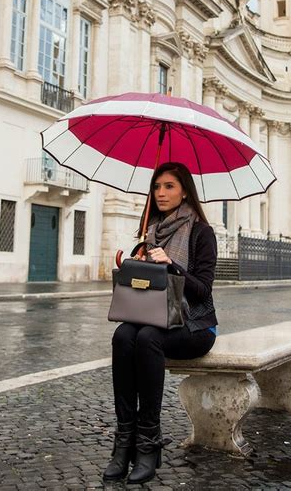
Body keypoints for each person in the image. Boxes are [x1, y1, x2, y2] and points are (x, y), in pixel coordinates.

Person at [103, 161, 218, 485]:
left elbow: (203, 291)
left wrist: (172, 266)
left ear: (184, 192)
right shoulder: (150, 231)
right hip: (152, 317)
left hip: (194, 326)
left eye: (169, 186)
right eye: (156, 186)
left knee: (147, 338)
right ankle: (124, 442)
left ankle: (149, 443)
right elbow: (146, 289)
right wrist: (138, 266)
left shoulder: (201, 232)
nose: (161, 193)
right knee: (123, 335)